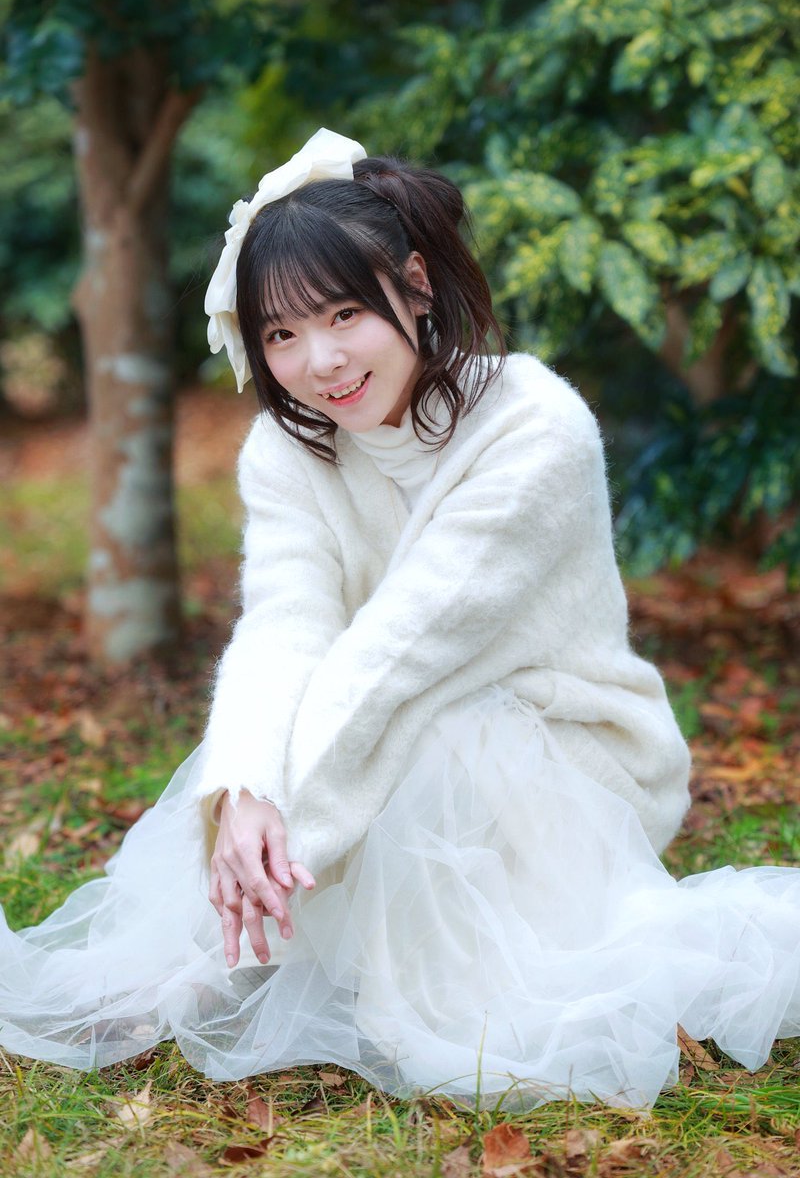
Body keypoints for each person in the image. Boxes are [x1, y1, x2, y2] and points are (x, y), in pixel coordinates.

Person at [1, 129, 798, 1111]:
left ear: (415, 286)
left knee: (429, 722)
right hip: (380, 731)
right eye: (281, 334)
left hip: (564, 754)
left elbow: (405, 649)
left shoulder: (533, 428)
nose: (320, 361)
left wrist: (284, 836)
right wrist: (240, 794)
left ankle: (270, 922)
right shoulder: (287, 451)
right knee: (252, 750)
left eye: (344, 313)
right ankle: (254, 922)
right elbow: (284, 627)